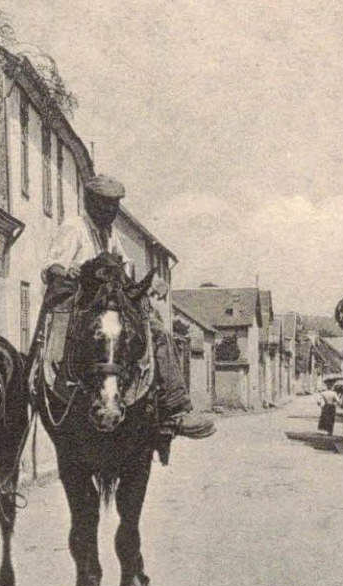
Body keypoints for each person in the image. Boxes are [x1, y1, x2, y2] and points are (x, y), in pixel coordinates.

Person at [43, 175, 215, 442]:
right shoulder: (74, 227)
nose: (111, 212)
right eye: (106, 205)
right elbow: (51, 265)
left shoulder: (109, 233)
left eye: (114, 206)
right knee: (58, 340)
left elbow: (126, 267)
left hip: (111, 300)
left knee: (156, 331)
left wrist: (152, 281)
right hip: (82, 302)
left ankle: (175, 405)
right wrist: (67, 270)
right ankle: (43, 389)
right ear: (90, 202)